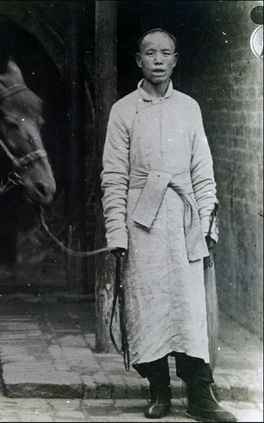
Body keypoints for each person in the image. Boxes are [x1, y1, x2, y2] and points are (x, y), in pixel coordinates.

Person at [100, 28, 236, 422]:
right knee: (149, 305)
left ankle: (200, 395)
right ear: (138, 60)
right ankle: (158, 391)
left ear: (175, 60)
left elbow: (203, 172)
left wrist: (207, 223)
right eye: (149, 53)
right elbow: (113, 176)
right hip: (142, 222)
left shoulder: (189, 108)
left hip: (184, 220)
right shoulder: (124, 110)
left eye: (166, 53)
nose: (158, 60)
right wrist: (117, 232)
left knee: (189, 308)